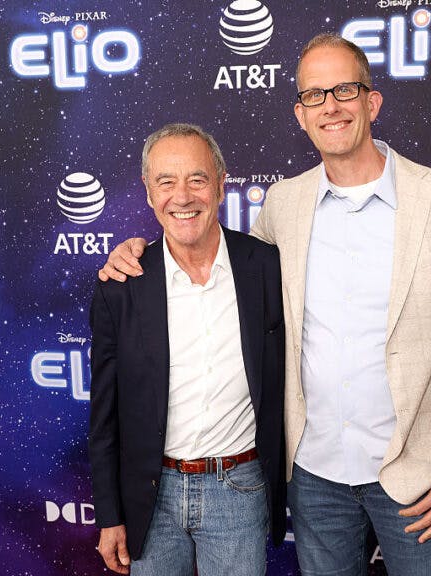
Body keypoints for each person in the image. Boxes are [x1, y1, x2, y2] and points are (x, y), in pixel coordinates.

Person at [99, 34, 431, 575]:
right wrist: (138, 253)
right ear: (299, 113)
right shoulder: (284, 204)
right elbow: (212, 251)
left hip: (422, 477)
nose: (331, 106)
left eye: (344, 90)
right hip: (314, 479)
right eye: (315, 95)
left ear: (372, 101)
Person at [89, 123, 286, 576]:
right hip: (149, 497)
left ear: (220, 183)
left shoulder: (267, 268)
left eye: (197, 179)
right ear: (147, 191)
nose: (182, 197)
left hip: (238, 490)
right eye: (166, 182)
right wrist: (109, 514)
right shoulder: (120, 286)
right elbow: (104, 415)